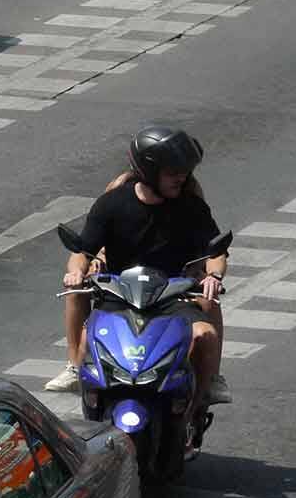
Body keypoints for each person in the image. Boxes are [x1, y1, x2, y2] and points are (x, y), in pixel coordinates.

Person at [45, 126, 231, 414]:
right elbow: (82, 253)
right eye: (173, 172)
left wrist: (214, 276)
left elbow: (216, 253)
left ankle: (197, 405)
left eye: (184, 172)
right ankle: (79, 378)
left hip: (173, 296)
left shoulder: (191, 207)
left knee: (204, 336)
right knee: (87, 338)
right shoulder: (112, 204)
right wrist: (76, 272)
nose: (181, 178)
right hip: (119, 295)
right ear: (148, 171)